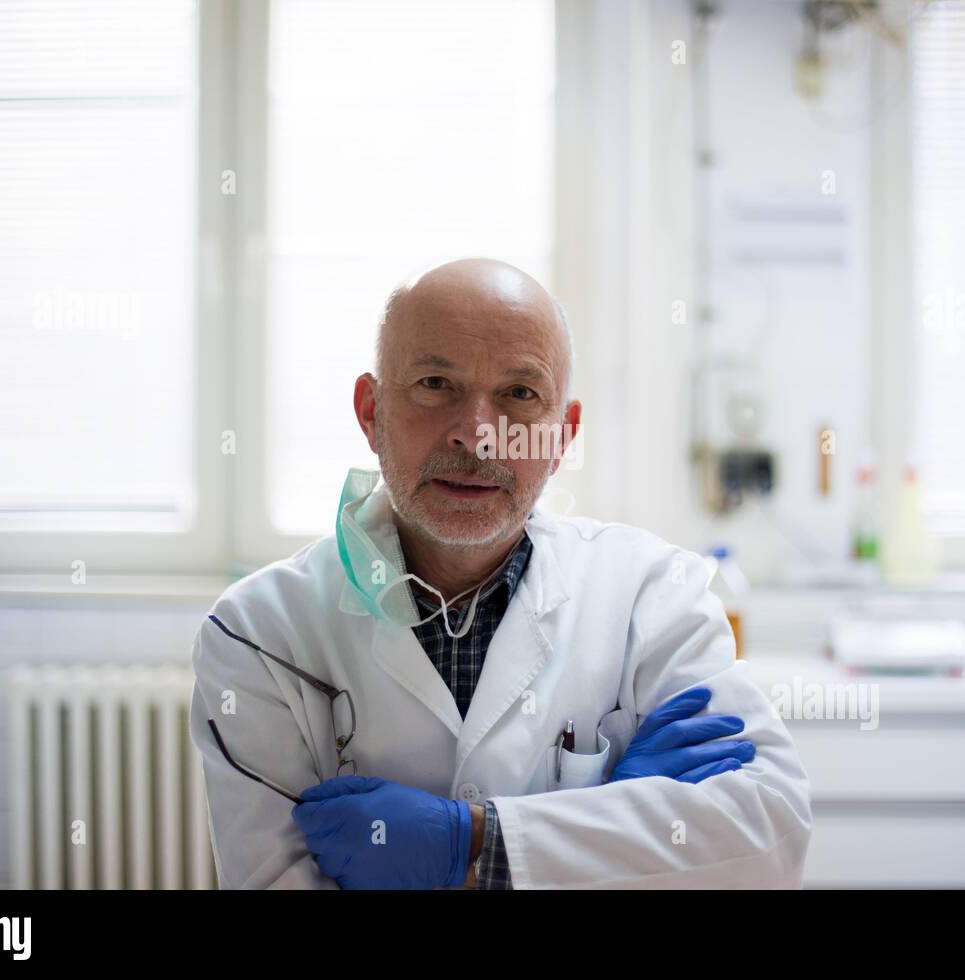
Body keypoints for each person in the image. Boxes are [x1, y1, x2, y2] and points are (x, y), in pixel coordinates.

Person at [188, 258, 811, 889]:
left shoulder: (654, 596)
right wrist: (612, 831)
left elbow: (769, 841)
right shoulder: (258, 635)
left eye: (519, 394)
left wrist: (477, 843)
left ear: (562, 434)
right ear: (370, 411)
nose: (478, 435)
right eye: (435, 383)